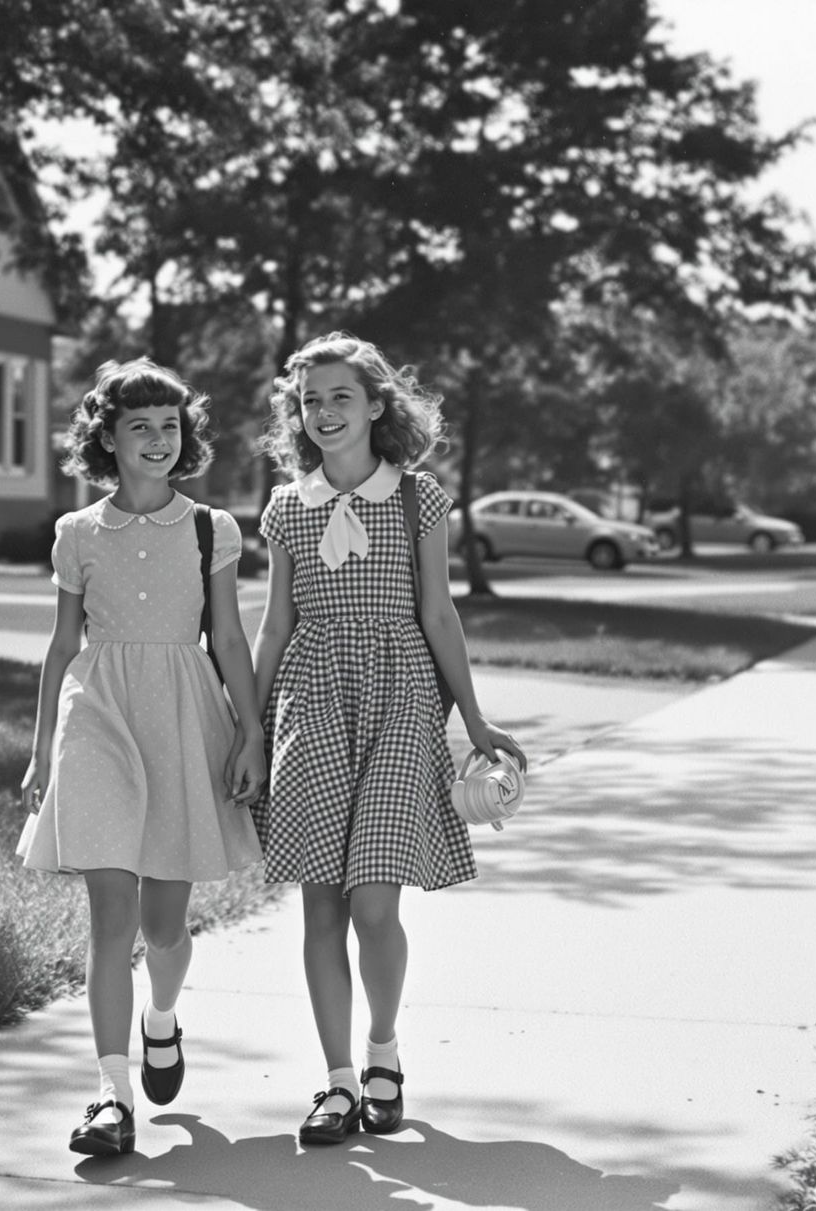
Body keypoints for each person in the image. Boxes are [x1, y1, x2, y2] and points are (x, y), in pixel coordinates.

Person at [250, 332, 526, 1146]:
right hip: (311, 699)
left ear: (376, 405)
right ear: (297, 416)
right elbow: (274, 624)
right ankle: (336, 1083)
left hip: (403, 696)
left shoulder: (418, 499)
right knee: (321, 902)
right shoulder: (286, 507)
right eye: (310, 401)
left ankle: (383, 1054)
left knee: (375, 898)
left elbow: (439, 613)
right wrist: (248, 728)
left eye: (341, 396)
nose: (325, 412)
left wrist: (474, 720)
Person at [19, 358, 265, 1157]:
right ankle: (111, 1094)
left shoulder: (211, 527)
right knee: (109, 917)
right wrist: (39, 754)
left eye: (170, 426)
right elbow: (61, 646)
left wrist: (251, 729)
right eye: (140, 428)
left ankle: (162, 1019)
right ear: (108, 439)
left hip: (185, 716)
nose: (158, 440)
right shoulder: (77, 533)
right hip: (97, 715)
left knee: (164, 925)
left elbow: (227, 637)